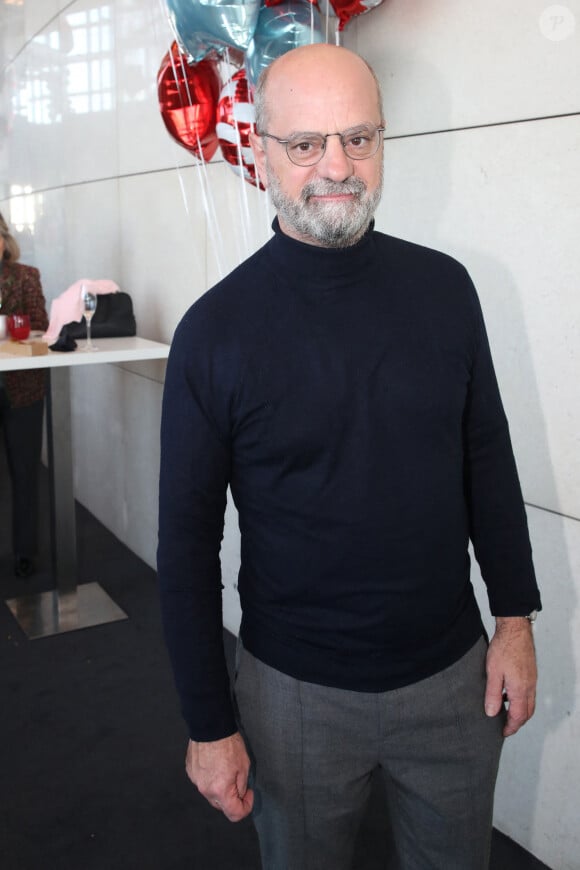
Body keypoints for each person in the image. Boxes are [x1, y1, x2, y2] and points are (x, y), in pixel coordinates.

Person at [158, 44, 541, 870]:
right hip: (292, 698)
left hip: (453, 680)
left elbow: (488, 464)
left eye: (358, 139)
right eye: (306, 145)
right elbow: (185, 550)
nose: (337, 166)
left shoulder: (446, 291)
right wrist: (208, 724)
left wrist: (514, 624)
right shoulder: (215, 333)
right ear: (261, 152)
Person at [0, 212, 49, 578]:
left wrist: (11, 327)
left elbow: (42, 325)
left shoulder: (25, 275)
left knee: (25, 471)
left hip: (23, 385)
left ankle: (25, 551)